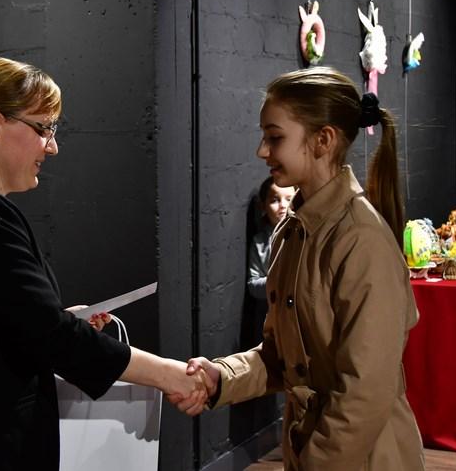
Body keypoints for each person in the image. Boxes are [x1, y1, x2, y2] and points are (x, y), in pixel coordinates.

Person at [0, 57, 206, 470]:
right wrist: (169, 374)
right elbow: (51, 336)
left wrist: (56, 319)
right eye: (44, 128)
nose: (52, 146)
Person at [174, 67, 424, 470]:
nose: (262, 151)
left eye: (275, 138)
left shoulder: (361, 239)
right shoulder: (293, 231)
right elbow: (282, 357)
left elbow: (364, 394)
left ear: (323, 140)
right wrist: (222, 377)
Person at [247, 176, 296, 301]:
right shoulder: (259, 243)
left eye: (289, 199)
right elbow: (253, 283)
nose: (283, 205)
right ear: (263, 206)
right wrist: (277, 282)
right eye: (275, 200)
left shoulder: (307, 234)